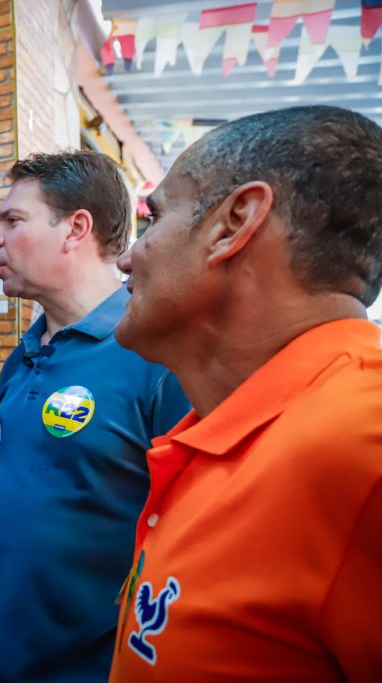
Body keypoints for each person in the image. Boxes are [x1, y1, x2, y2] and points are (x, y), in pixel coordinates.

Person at [109, 105, 382, 682]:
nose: (128, 256)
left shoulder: (362, 446)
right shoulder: (223, 425)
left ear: (235, 223)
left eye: (152, 219)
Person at [0, 151, 190, 683]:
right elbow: (1, 502)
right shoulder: (22, 358)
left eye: (13, 220)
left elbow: (196, 542)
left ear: (76, 228)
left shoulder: (159, 357)